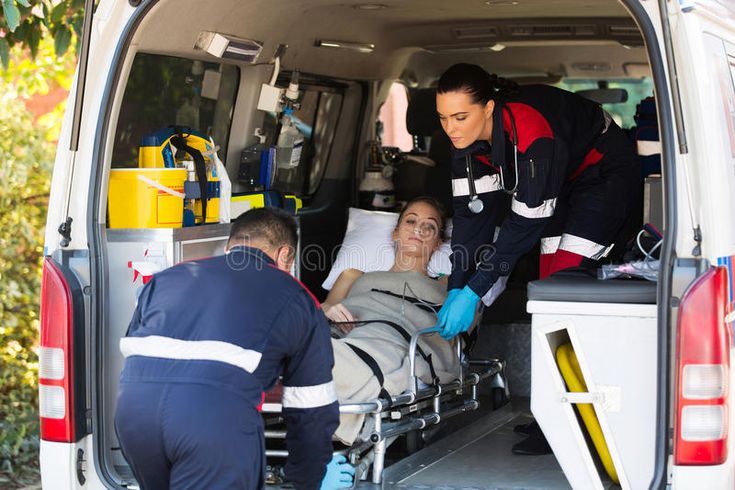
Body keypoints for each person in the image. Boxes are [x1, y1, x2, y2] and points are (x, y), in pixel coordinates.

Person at [434, 63, 639, 454]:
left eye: (461, 117)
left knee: (564, 289)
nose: (451, 128)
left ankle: (583, 420)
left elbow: (523, 227)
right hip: (560, 184)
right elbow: (470, 218)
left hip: (602, 176)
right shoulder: (465, 145)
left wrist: (475, 293)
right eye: (443, 118)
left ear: (489, 108)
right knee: (546, 294)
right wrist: (457, 284)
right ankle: (556, 412)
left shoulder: (532, 134)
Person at [114, 207, 354, 490]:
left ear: (229, 246)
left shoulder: (166, 278)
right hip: (210, 421)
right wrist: (311, 478)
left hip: (134, 415)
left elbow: (140, 355)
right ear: (285, 255)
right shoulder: (296, 297)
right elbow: (311, 405)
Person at [321, 197, 461, 444]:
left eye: (429, 226)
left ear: (439, 242)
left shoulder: (450, 285)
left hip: (391, 337)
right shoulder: (353, 275)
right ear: (395, 233)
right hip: (341, 332)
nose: (419, 229)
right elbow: (321, 311)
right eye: (411, 221)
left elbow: (456, 337)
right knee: (310, 339)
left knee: (339, 357)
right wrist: (328, 309)